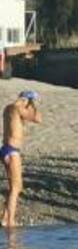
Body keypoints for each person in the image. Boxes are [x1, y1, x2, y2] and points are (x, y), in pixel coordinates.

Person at [1, 91, 41, 227]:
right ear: (27, 101)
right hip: (12, 152)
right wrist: (33, 106)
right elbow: (38, 118)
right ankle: (10, 221)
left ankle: (5, 216)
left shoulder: (9, 108)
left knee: (17, 186)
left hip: (6, 149)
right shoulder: (19, 109)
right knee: (15, 188)